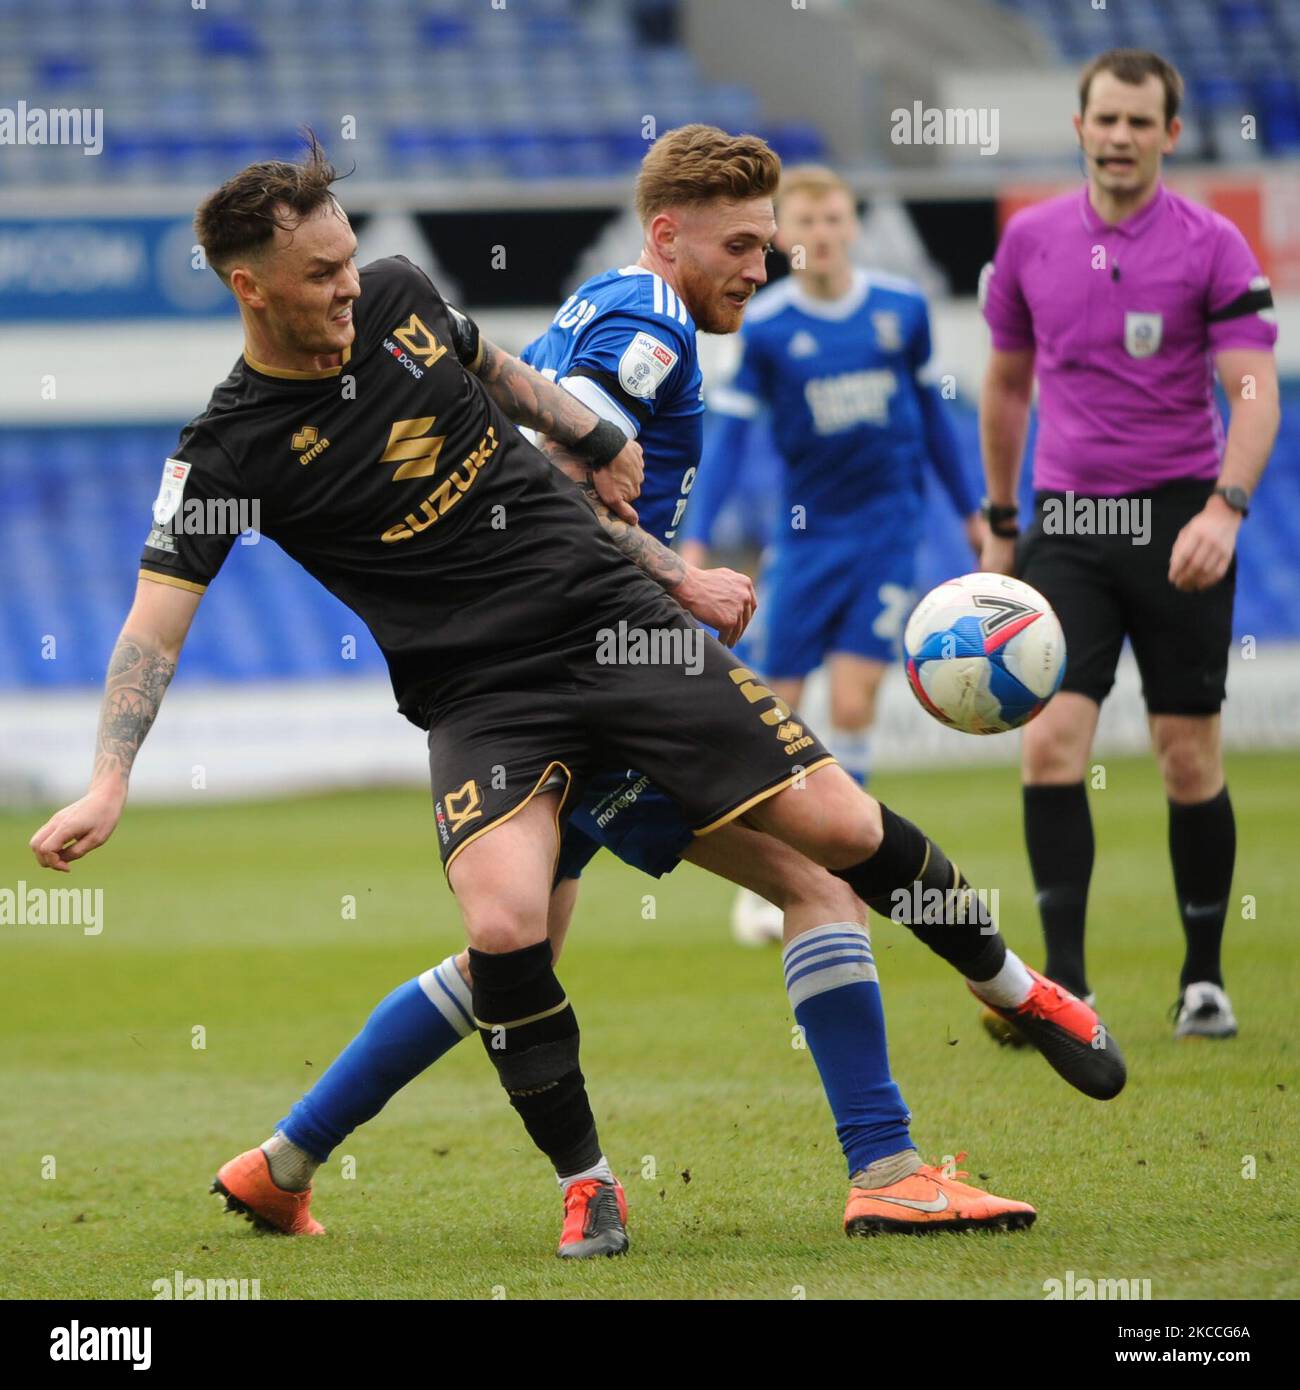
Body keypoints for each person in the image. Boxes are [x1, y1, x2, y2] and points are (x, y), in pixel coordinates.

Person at [30, 134, 1121, 1263]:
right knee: (510, 931)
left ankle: (1019, 996)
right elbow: (154, 621)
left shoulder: (396, 295)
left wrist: (586, 428)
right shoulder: (225, 454)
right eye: (320, 275)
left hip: (613, 634)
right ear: (247, 286)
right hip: (479, 691)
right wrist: (111, 778)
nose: (350, 285)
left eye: (350, 259)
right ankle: (600, 1181)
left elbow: (484, 361)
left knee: (834, 837)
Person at [978, 49, 1279, 1043]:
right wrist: (1000, 517)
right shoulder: (1029, 241)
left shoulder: (1213, 243)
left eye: (1137, 122)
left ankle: (1202, 979)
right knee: (1050, 741)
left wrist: (1224, 510)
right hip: (1066, 522)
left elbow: (1250, 389)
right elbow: (1008, 385)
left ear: (1166, 134)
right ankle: (1065, 988)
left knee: (1185, 753)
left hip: (1179, 522)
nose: (1118, 137)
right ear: (1079, 128)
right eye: (1103, 119)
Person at [678, 163, 983, 940]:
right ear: (788, 241)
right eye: (804, 226)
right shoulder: (769, 328)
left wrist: (971, 508)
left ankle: (847, 871)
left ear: (851, 227)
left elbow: (932, 416)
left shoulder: (901, 310)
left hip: (888, 530)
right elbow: (735, 435)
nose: (821, 236)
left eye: (833, 222)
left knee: (852, 703)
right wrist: (701, 532)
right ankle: (776, 873)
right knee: (777, 707)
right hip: (805, 540)